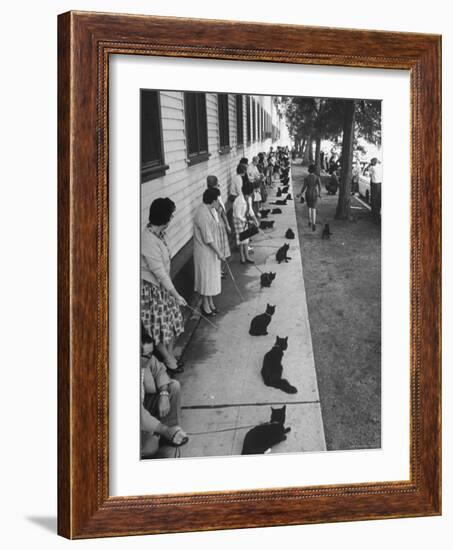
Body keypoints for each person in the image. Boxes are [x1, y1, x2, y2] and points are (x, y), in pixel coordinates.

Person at [141, 198, 186, 374]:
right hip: (152, 290)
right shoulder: (147, 241)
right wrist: (176, 294)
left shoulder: (160, 234)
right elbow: (158, 272)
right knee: (158, 327)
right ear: (164, 217)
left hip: (164, 286)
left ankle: (170, 355)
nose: (173, 217)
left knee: (174, 321)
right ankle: (168, 359)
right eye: (171, 214)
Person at [140, 324, 188, 458]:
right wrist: (163, 429)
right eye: (146, 356)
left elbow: (160, 370)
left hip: (145, 403)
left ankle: (170, 431)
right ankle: (162, 432)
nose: (150, 359)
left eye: (151, 354)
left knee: (173, 386)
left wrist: (164, 394)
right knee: (150, 448)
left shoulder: (148, 360)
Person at [193, 187, 225, 316]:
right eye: (217, 200)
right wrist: (220, 253)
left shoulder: (209, 210)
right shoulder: (202, 214)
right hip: (205, 252)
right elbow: (208, 239)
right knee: (206, 279)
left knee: (211, 278)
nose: (218, 202)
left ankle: (211, 303)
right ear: (213, 200)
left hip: (211, 251)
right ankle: (205, 306)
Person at [206, 175, 231, 278]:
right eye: (216, 186)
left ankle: (220, 269)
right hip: (214, 226)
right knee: (217, 248)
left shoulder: (218, 195)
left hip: (220, 224)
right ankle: (218, 271)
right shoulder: (208, 198)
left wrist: (227, 224)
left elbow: (223, 212)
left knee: (222, 248)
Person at [232, 181, 258, 264]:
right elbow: (237, 215)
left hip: (244, 218)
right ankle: (242, 257)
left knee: (246, 239)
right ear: (248, 192)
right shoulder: (239, 200)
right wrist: (246, 221)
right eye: (252, 191)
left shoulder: (249, 198)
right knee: (241, 238)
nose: (253, 192)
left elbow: (250, 210)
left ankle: (247, 256)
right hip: (238, 220)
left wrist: (255, 220)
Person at [300, 164, 322, 231]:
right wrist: (319, 194)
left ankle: (309, 221)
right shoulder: (317, 177)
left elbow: (304, 187)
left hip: (308, 193)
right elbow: (320, 187)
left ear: (309, 170)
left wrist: (300, 193)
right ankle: (314, 224)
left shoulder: (306, 177)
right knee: (314, 209)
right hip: (314, 193)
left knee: (309, 207)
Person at [366, 157, 382, 222]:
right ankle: (377, 214)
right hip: (380, 184)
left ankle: (374, 216)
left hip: (374, 184)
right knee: (378, 200)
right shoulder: (380, 167)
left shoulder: (372, 168)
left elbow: (369, 173)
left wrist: (369, 165)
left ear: (373, 162)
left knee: (374, 200)